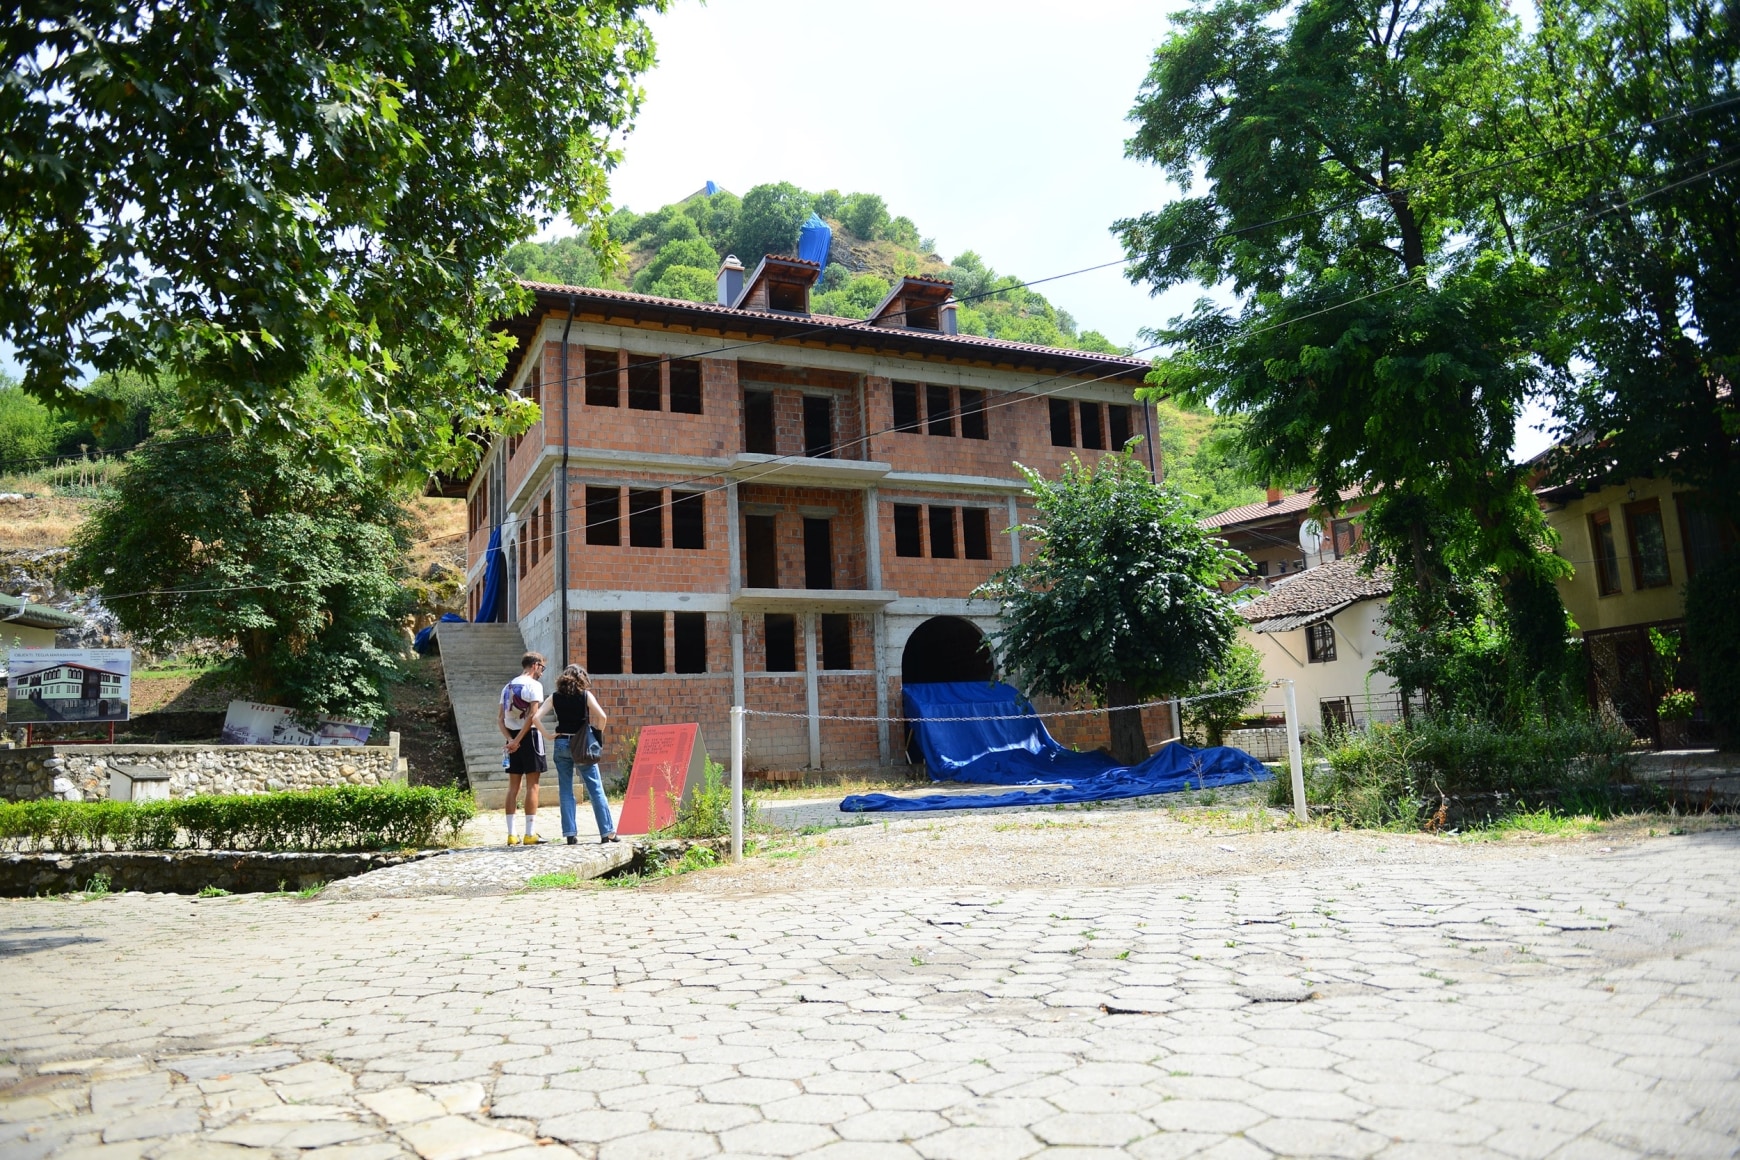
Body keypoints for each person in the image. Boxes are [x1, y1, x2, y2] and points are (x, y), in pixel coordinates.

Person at [548, 664, 618, 844]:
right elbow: (602, 717)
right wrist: (596, 734)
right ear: (581, 679)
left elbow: (535, 717)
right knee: (595, 788)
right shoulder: (585, 695)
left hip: (561, 743)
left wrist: (548, 735)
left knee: (565, 789)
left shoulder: (555, 697)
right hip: (582, 746)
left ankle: (570, 834)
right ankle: (607, 833)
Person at [498, 651, 548, 845]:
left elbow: (500, 719)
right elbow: (532, 717)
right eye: (542, 667)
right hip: (531, 737)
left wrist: (510, 740)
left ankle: (511, 834)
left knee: (513, 786)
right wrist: (518, 740)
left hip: (511, 737)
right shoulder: (534, 685)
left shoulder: (507, 686)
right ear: (535, 665)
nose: (542, 672)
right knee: (533, 785)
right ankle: (529, 833)